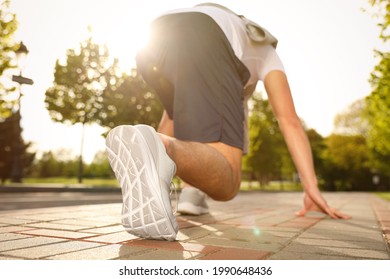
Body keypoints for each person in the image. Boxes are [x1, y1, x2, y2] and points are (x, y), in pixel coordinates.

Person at [105, 3, 351, 241]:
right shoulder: (268, 54)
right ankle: (163, 151)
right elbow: (289, 121)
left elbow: (171, 118)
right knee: (229, 183)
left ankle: (188, 191)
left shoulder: (235, 36)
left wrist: (149, 175)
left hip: (155, 39)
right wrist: (311, 186)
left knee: (172, 130)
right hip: (207, 34)